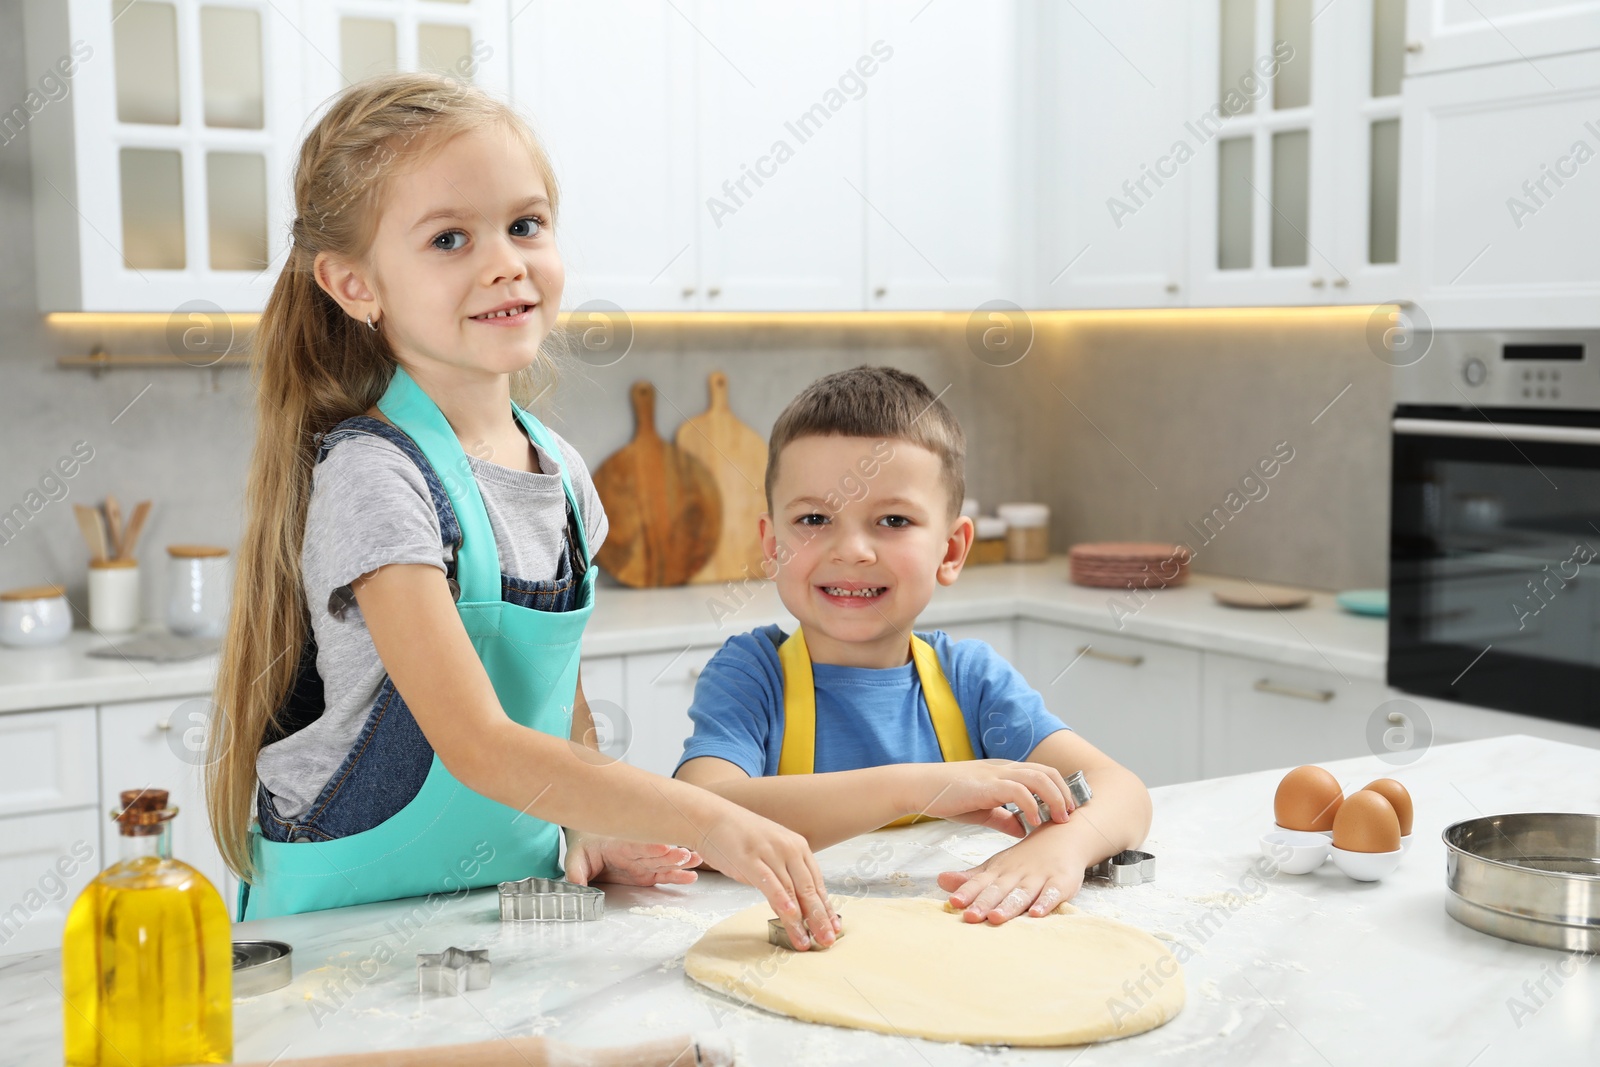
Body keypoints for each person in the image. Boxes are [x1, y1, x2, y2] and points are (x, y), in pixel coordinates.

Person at [205, 72, 856, 945]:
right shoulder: (375, 476)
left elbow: (552, 700)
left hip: (500, 910)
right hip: (346, 929)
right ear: (355, 285)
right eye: (449, 238)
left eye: (525, 224)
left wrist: (588, 818)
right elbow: (478, 741)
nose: (505, 260)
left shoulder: (562, 470)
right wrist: (710, 818)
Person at [676, 366, 1154, 924]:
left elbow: (1122, 790)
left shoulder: (969, 680)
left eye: (893, 520)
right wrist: (917, 787)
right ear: (771, 543)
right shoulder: (752, 674)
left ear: (951, 550)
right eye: (813, 518)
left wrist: (1058, 849)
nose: (852, 550)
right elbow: (699, 816)